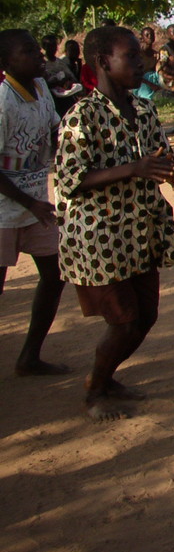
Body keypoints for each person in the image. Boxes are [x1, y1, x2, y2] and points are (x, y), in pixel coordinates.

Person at [55, 26, 174, 421]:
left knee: (145, 315)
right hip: (99, 234)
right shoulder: (82, 116)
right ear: (102, 62)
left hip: (139, 229)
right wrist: (133, 169)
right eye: (131, 56)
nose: (142, 62)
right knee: (124, 321)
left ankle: (107, 379)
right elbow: (72, 178)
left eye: (139, 55)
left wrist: (168, 168)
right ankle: (95, 390)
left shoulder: (144, 108)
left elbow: (155, 155)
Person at [0, 30, 67, 377]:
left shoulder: (41, 90)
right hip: (5, 212)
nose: (40, 55)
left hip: (35, 205)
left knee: (55, 276)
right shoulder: (2, 102)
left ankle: (29, 357)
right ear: (6, 62)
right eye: (28, 51)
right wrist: (30, 201)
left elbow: (55, 134)